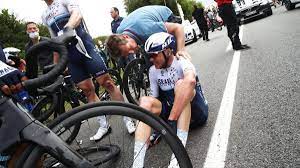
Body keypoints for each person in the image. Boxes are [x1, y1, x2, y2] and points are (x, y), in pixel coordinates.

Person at [41, 0, 135, 141]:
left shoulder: (64, 1)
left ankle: (127, 119)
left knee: (107, 83)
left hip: (86, 49)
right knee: (87, 90)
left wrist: (67, 29)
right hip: (71, 56)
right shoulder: (44, 15)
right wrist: (57, 63)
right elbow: (55, 39)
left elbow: (77, 15)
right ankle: (104, 125)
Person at [132, 32, 208, 168]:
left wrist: (171, 120)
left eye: (154, 55)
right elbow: (154, 101)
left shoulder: (182, 60)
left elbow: (190, 81)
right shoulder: (153, 71)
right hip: (172, 117)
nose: (151, 59)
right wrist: (154, 128)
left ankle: (178, 156)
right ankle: (136, 164)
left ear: (167, 51)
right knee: (145, 101)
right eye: (149, 56)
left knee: (181, 85)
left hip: (196, 113)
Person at [106, 5, 190, 61]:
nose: (132, 53)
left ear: (126, 37)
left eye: (129, 50)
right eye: (127, 54)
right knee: (153, 60)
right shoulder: (119, 32)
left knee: (175, 58)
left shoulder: (147, 30)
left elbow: (178, 28)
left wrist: (181, 50)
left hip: (165, 16)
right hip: (141, 22)